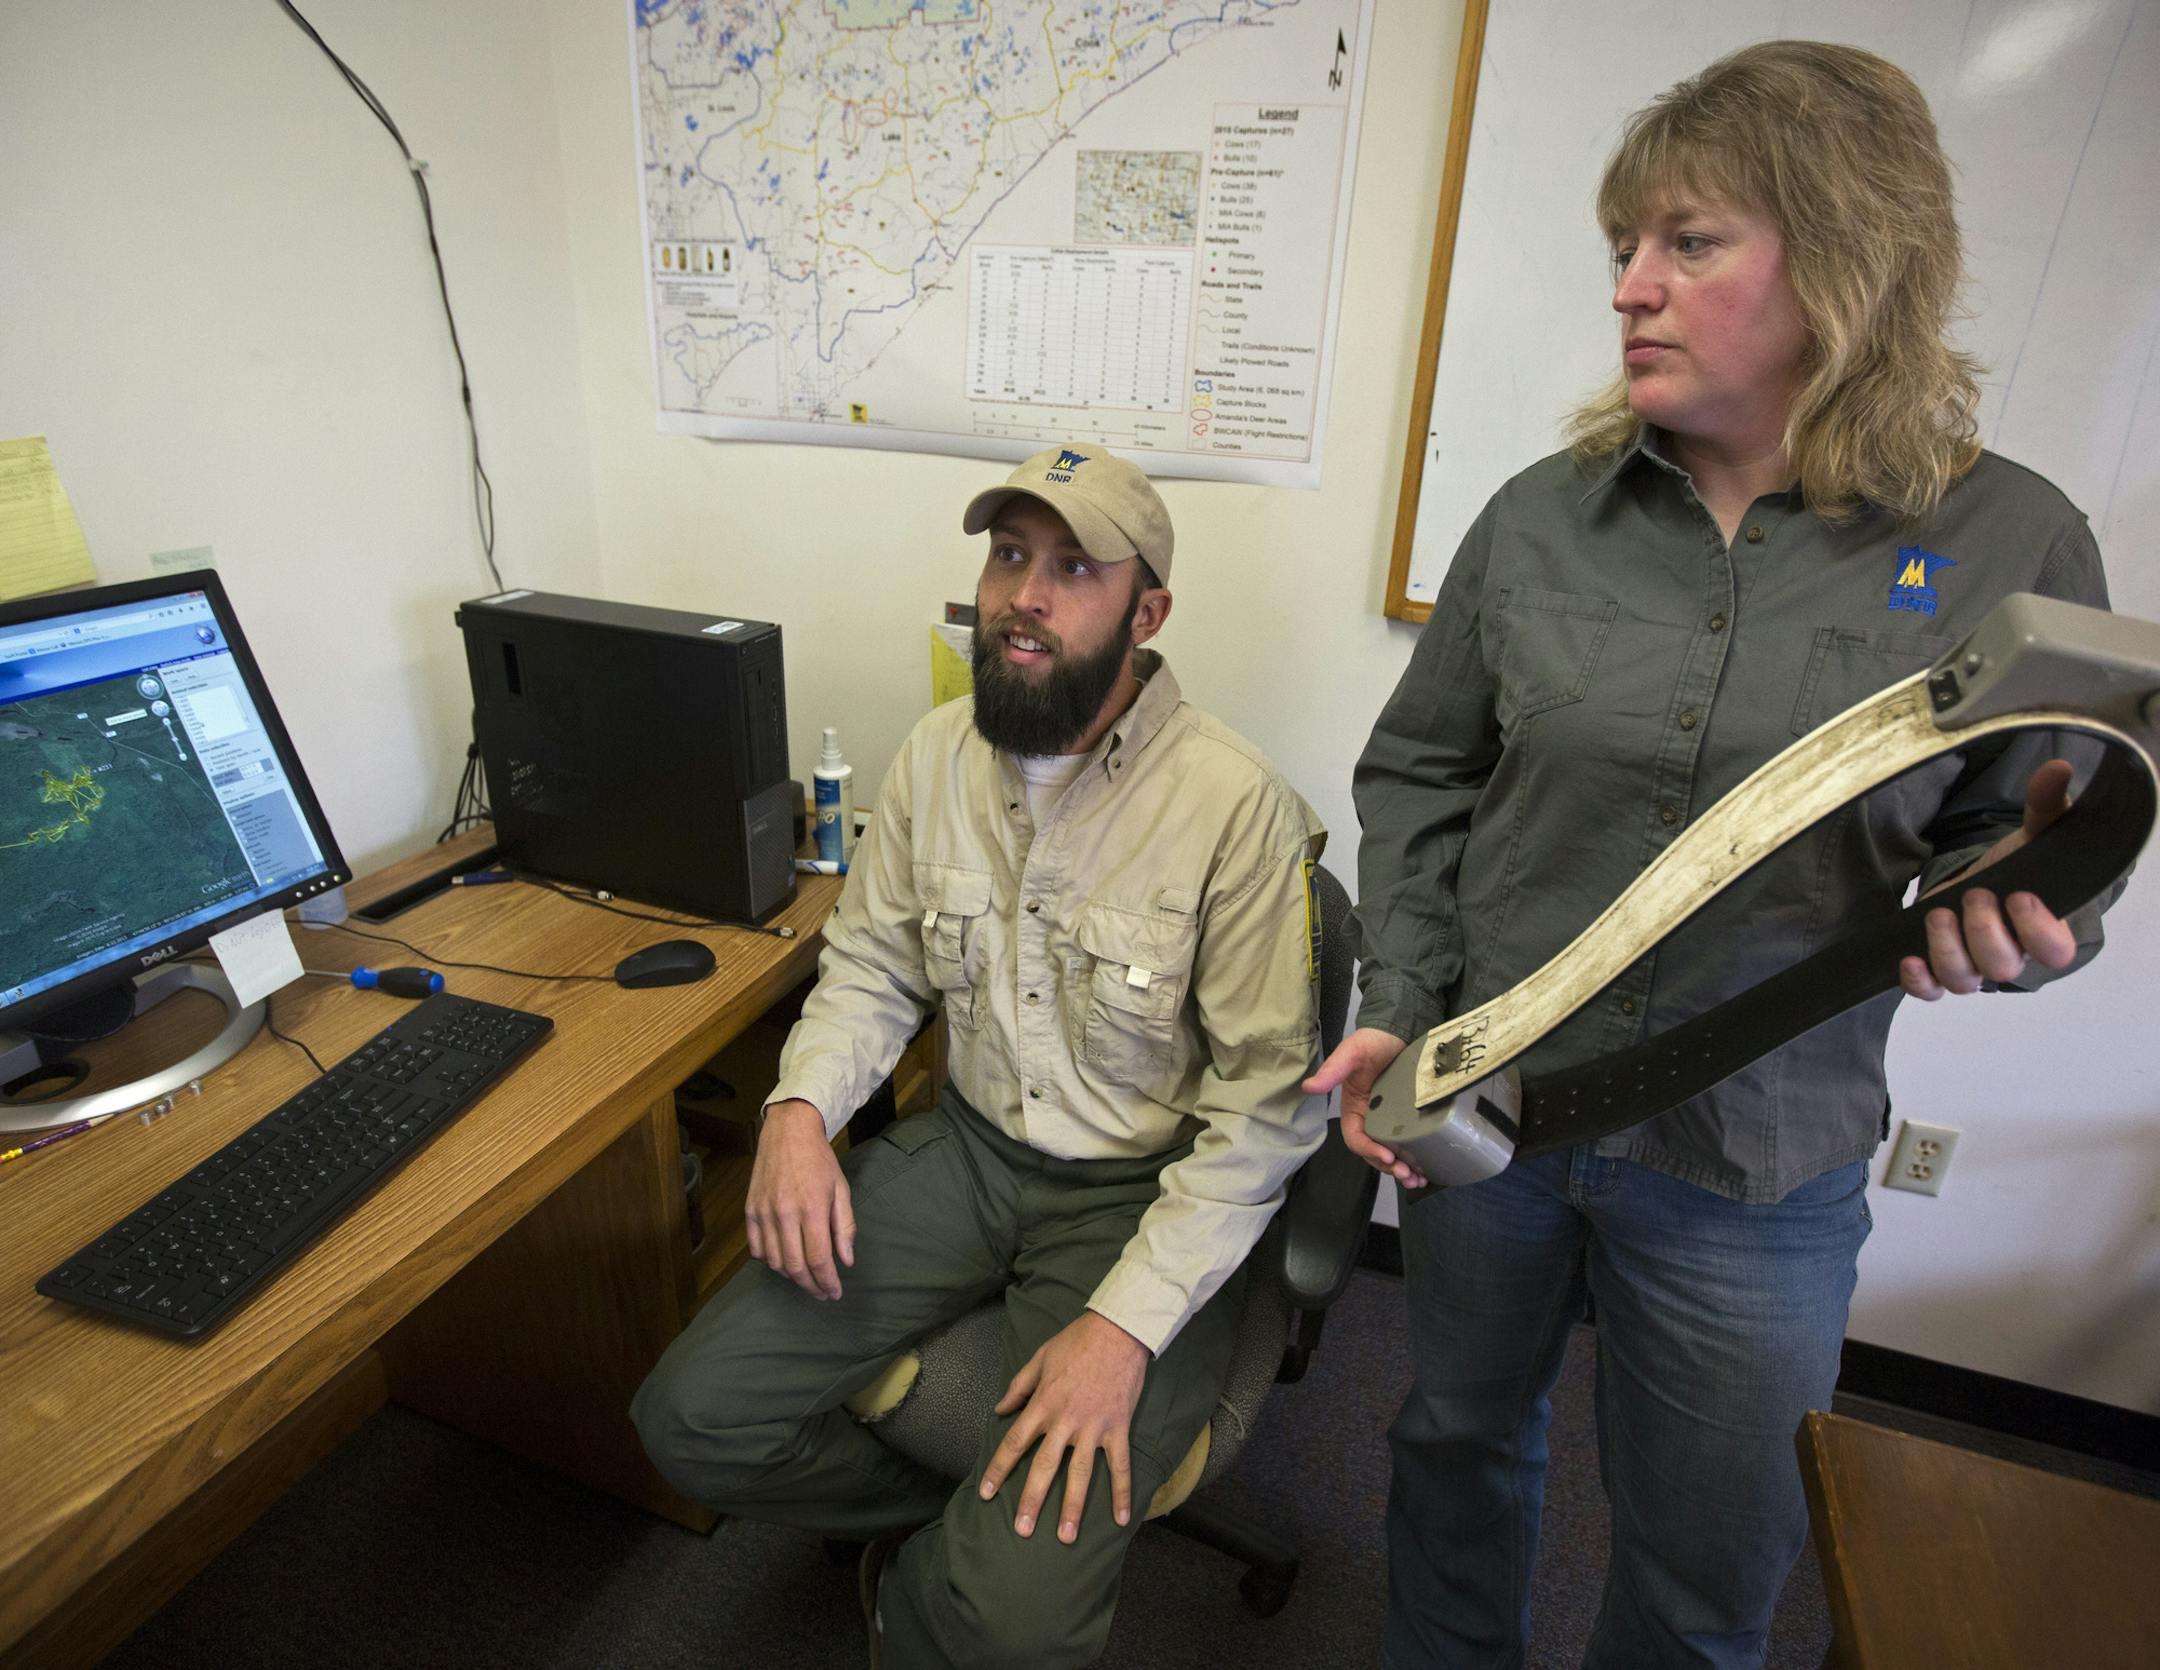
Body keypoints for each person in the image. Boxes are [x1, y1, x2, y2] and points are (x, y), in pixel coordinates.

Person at [1306, 42, 2117, 1669]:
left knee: (1705, 1560)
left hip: (1760, 1160)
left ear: (1841, 256)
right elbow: (1420, 769)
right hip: (1493, 1107)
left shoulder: (2016, 543)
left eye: (1688, 242)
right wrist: (1400, 996)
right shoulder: (1542, 516)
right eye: (1625, 246)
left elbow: (2047, 857)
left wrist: (2034, 921)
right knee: (1453, 1444)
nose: (1631, 287)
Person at [633, 444, 1327, 1669]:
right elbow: (873, 969)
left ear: (1147, 612)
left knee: (1009, 1632)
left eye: (1073, 568)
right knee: (690, 1418)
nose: (1026, 594)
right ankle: (931, 1535)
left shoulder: (1235, 807)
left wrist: (1124, 1328)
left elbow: (1264, 1116)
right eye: (1009, 555)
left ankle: (946, 1589)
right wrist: (796, 1111)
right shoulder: (936, 753)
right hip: (966, 1153)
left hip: (1138, 1194)